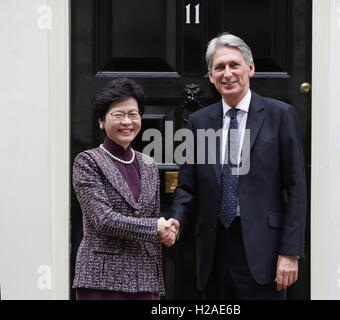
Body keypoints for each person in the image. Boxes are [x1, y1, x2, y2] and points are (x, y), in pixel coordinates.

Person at [169, 33, 307, 300]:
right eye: (219, 67)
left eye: (234, 65)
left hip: (264, 252)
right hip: (212, 250)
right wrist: (176, 221)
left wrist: (290, 252)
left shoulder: (280, 115)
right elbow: (188, 187)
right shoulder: (199, 123)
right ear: (211, 76)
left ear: (250, 68)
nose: (227, 73)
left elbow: (296, 188)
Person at [72, 78, 178, 300]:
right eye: (118, 115)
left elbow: (151, 225)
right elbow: (103, 220)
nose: (127, 122)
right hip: (100, 281)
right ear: (101, 119)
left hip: (144, 280)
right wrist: (155, 227)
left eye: (133, 114)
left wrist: (166, 234)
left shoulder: (148, 165)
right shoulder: (88, 161)